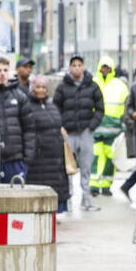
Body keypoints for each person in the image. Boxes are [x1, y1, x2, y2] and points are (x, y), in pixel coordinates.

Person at [53, 55, 104, 212]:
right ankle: (67, 200)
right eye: (73, 65)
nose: (76, 68)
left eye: (79, 65)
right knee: (67, 167)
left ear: (83, 67)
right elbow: (55, 109)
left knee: (86, 167)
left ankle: (87, 199)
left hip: (85, 132)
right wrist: (60, 126)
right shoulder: (62, 87)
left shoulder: (93, 86)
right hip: (68, 133)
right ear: (70, 68)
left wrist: (91, 127)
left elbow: (100, 109)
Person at [26, 75, 71, 213]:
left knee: (56, 185)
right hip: (40, 157)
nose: (41, 90)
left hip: (56, 156)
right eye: (38, 87)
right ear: (32, 88)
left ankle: (55, 211)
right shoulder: (28, 107)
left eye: (44, 87)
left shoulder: (51, 106)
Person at [0, 57, 35, 184]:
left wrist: (26, 160)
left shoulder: (20, 96)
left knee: (16, 201)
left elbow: (29, 129)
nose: (2, 73)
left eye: (5, 70)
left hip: (16, 161)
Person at [90, 56, 130, 196]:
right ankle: (93, 185)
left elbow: (127, 106)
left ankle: (106, 185)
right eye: (103, 67)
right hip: (95, 126)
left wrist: (124, 124)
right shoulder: (92, 83)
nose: (105, 70)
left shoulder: (120, 86)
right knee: (95, 155)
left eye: (107, 67)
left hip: (113, 128)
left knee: (109, 157)